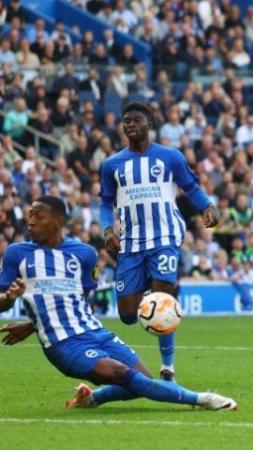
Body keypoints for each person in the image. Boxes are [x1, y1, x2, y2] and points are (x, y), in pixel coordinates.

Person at [0, 196, 236, 411]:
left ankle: (92, 398)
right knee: (122, 373)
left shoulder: (85, 254)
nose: (30, 222)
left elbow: (76, 299)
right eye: (29, 215)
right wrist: (9, 299)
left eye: (38, 217)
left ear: (58, 221)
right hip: (64, 343)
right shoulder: (17, 254)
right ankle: (202, 399)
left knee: (143, 381)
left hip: (95, 331)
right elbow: (2, 303)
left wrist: (32, 325)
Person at [99, 102, 218, 382]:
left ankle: (167, 369)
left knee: (162, 302)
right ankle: (147, 293)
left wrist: (207, 207)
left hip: (165, 238)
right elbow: (105, 203)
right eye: (126, 121)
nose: (130, 125)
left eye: (136, 120)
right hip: (130, 243)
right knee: (128, 314)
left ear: (148, 125)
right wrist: (107, 230)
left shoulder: (170, 157)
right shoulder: (112, 164)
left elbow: (191, 187)